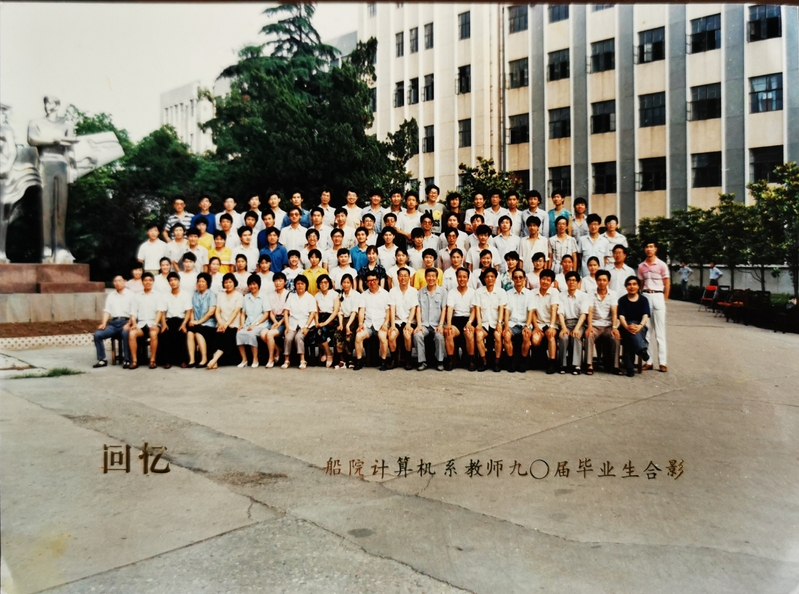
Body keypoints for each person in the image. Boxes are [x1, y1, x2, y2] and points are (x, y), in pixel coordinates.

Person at [638, 241, 670, 372]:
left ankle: (662, 362)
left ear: (656, 249)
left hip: (658, 295)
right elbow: (641, 284)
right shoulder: (641, 266)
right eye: (647, 247)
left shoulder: (662, 265)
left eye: (651, 247)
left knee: (660, 331)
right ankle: (649, 361)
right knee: (647, 331)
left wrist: (664, 299)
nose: (649, 249)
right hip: (646, 296)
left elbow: (667, 284)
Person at [93, 275, 135, 368]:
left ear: (124, 281)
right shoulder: (111, 295)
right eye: (115, 281)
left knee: (125, 333)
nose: (117, 283)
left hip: (126, 322)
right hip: (114, 323)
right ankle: (102, 359)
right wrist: (104, 323)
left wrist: (129, 323)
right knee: (98, 335)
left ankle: (127, 359)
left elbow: (133, 312)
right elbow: (107, 311)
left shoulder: (131, 295)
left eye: (119, 281)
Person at [354, 271, 392, 370]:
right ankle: (359, 361)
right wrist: (360, 324)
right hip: (368, 324)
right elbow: (362, 311)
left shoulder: (385, 294)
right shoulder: (363, 295)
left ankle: (383, 361)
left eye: (374, 280)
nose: (372, 282)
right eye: (369, 281)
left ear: (378, 280)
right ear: (366, 282)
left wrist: (386, 323)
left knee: (382, 336)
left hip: (381, 323)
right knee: (358, 336)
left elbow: (388, 311)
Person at [585, 270, 620, 375]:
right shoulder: (591, 293)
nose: (602, 282)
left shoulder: (613, 294)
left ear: (608, 282)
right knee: (589, 335)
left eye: (604, 280)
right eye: (599, 280)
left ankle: (615, 366)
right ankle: (589, 364)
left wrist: (614, 327)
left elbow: (614, 312)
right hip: (595, 325)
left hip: (608, 326)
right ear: (596, 281)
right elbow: (590, 311)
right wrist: (589, 327)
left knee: (615, 337)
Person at [413, 268, 448, 371]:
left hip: (437, 324)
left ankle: (440, 361)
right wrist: (419, 324)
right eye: (429, 276)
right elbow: (418, 309)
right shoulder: (420, 292)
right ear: (425, 277)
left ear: (437, 278)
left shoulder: (443, 292)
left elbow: (444, 309)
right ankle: (422, 361)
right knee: (417, 335)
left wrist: (441, 325)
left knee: (439, 336)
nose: (431, 278)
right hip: (424, 324)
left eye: (433, 276)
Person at [126, 272, 163, 369]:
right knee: (132, 333)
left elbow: (160, 311)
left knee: (153, 333)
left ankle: (153, 360)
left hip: (153, 323)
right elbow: (133, 313)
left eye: (150, 280)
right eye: (145, 280)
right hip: (141, 324)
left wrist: (155, 324)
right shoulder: (137, 296)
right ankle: (134, 361)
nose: (148, 282)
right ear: (142, 282)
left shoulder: (158, 295)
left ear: (153, 282)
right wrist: (134, 324)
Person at [207, 273, 244, 369]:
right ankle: (215, 361)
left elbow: (236, 312)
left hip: (233, 324)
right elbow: (217, 311)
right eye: (226, 282)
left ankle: (214, 360)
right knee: (216, 335)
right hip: (221, 323)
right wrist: (220, 323)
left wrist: (226, 324)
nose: (228, 284)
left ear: (234, 282)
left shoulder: (239, 295)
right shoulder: (220, 295)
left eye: (230, 282)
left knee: (228, 335)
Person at [473, 268, 507, 372]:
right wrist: (479, 324)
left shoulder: (501, 292)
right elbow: (477, 309)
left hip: (496, 323)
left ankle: (497, 362)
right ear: (484, 279)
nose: (490, 279)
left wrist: (499, 323)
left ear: (495, 278)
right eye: (487, 277)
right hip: (484, 323)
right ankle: (484, 361)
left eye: (492, 276)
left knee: (498, 336)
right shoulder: (479, 292)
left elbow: (501, 309)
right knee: (479, 335)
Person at [443, 267, 477, 371]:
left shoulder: (473, 292)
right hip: (456, 320)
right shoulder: (452, 292)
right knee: (449, 332)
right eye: (459, 277)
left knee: (469, 333)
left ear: (468, 279)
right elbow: (450, 309)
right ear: (456, 278)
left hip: (468, 319)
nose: (462, 279)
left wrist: (469, 322)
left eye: (464, 277)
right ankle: (450, 360)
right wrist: (449, 323)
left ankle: (471, 360)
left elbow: (474, 310)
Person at [617, 276, 651, 377]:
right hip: (625, 326)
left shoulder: (643, 300)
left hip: (640, 327)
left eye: (634, 284)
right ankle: (642, 350)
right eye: (629, 284)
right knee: (629, 335)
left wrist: (639, 326)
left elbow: (645, 315)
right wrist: (627, 327)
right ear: (626, 287)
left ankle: (630, 368)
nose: (632, 287)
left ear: (639, 286)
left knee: (630, 338)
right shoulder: (622, 300)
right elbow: (621, 317)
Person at [157, 272, 192, 369]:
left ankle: (183, 360)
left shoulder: (185, 294)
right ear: (168, 283)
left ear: (179, 281)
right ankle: (167, 361)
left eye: (175, 280)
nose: (173, 282)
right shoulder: (165, 295)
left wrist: (184, 324)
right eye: (171, 280)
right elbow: (162, 312)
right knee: (165, 334)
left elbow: (188, 311)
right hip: (170, 320)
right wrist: (164, 324)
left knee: (181, 333)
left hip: (182, 320)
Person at [282, 275, 317, 369]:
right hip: (292, 323)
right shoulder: (291, 297)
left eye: (302, 284)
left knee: (298, 337)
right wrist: (287, 327)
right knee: (288, 337)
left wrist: (306, 326)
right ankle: (286, 360)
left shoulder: (310, 297)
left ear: (306, 285)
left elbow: (312, 314)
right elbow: (286, 312)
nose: (300, 286)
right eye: (298, 284)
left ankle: (302, 360)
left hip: (305, 323)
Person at [558, 271, 590, 375]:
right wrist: (563, 328)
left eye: (574, 280)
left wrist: (576, 328)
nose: (571, 282)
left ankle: (576, 365)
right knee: (564, 337)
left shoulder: (583, 296)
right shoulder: (561, 295)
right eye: (569, 280)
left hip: (579, 323)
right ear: (566, 282)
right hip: (566, 323)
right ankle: (562, 364)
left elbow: (583, 314)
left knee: (576, 335)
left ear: (578, 282)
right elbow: (560, 313)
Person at [236, 275, 271, 368]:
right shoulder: (246, 297)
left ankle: (255, 359)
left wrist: (255, 325)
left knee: (251, 334)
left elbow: (266, 314)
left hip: (261, 324)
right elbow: (243, 313)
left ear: (258, 285)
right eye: (250, 284)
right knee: (239, 333)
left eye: (254, 284)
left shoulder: (264, 296)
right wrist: (242, 324)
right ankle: (244, 359)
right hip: (248, 323)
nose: (252, 286)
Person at [503, 268, 535, 373]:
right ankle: (511, 361)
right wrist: (506, 326)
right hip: (512, 323)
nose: (518, 279)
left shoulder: (530, 294)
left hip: (525, 323)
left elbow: (531, 311)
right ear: (512, 279)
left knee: (526, 335)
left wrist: (527, 326)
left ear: (524, 279)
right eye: (516, 277)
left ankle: (523, 361)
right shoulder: (508, 293)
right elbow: (506, 311)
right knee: (506, 335)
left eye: (520, 277)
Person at [530, 269, 560, 374]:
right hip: (539, 323)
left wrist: (551, 327)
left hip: (552, 323)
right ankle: (542, 360)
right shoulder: (533, 293)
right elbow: (532, 312)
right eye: (543, 279)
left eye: (548, 280)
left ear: (551, 282)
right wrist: (536, 327)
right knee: (535, 340)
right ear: (539, 279)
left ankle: (552, 363)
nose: (545, 282)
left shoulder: (554, 292)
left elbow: (554, 309)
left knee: (550, 336)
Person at [388, 267, 418, 369]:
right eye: (401, 276)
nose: (403, 278)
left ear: (409, 277)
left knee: (407, 334)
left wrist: (409, 323)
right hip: (397, 321)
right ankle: (394, 360)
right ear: (397, 277)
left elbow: (414, 309)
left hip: (409, 321)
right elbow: (392, 308)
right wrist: (392, 325)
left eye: (405, 276)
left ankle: (408, 360)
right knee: (391, 336)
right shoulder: (393, 291)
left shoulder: (414, 291)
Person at [186, 272, 217, 368]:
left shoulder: (211, 295)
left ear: (208, 283)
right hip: (197, 322)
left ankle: (204, 359)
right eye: (199, 281)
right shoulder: (195, 295)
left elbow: (211, 312)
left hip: (209, 324)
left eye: (203, 281)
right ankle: (192, 360)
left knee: (198, 333)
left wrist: (199, 322)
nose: (200, 283)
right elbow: (192, 310)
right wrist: (192, 321)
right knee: (190, 333)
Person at [262, 272, 290, 368]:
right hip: (273, 319)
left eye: (280, 281)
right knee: (263, 334)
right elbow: (270, 312)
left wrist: (279, 323)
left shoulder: (288, 294)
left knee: (269, 334)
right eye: (276, 281)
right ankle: (277, 349)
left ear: (285, 282)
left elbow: (287, 313)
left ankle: (270, 359)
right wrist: (274, 322)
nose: (278, 283)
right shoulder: (270, 295)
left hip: (284, 320)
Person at [334, 274, 361, 369]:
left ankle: (349, 358)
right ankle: (342, 360)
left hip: (353, 319)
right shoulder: (339, 295)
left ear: (351, 284)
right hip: (343, 319)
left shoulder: (356, 295)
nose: (346, 285)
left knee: (348, 335)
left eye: (348, 282)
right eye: (344, 282)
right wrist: (341, 324)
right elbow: (340, 311)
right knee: (338, 333)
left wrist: (347, 325)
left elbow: (354, 312)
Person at [314, 274, 340, 368]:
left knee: (321, 331)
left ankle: (328, 354)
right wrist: (317, 322)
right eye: (321, 283)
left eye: (325, 282)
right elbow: (316, 311)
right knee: (313, 333)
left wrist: (325, 323)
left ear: (329, 283)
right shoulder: (317, 296)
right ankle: (327, 351)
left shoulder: (334, 294)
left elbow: (336, 311)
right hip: (320, 318)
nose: (323, 284)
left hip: (332, 319)